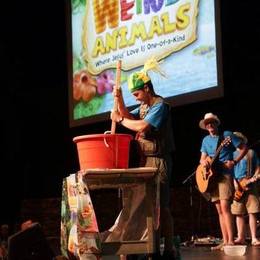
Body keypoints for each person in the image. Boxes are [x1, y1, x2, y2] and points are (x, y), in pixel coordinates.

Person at [110, 57, 176, 259]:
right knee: (146, 206)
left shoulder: (160, 106)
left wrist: (119, 120)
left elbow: (141, 126)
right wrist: (120, 100)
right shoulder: (145, 107)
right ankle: (149, 247)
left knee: (161, 206)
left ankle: (169, 248)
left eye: (137, 94)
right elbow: (130, 117)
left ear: (147, 88)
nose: (136, 98)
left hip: (159, 160)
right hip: (145, 160)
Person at [198, 112, 248, 250]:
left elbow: (243, 148)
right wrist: (205, 164)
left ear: (216, 123)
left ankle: (231, 240)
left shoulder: (226, 135)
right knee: (219, 209)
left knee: (226, 208)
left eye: (212, 122)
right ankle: (225, 241)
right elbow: (202, 158)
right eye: (207, 123)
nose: (210, 125)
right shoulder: (205, 140)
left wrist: (235, 161)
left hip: (225, 175)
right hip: (212, 178)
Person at [231, 132, 260, 246]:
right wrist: (235, 184)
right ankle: (240, 237)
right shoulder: (232, 154)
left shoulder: (251, 153)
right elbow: (231, 171)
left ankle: (253, 238)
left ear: (242, 140)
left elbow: (258, 167)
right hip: (237, 185)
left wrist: (255, 177)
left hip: (251, 184)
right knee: (238, 213)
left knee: (252, 212)